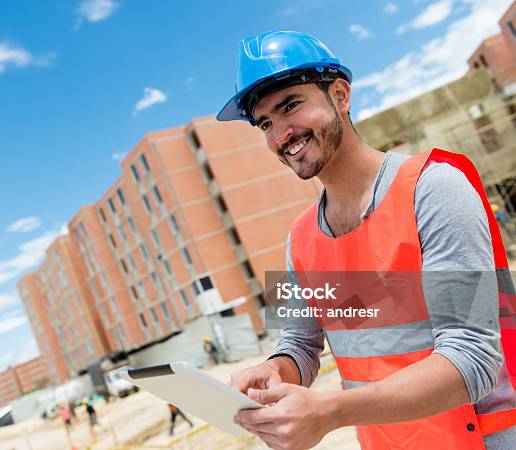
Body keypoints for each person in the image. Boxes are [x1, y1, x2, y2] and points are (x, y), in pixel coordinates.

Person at [217, 31, 516, 449]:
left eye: (291, 106)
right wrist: (275, 369)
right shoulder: (298, 239)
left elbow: (475, 358)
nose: (281, 133)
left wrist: (331, 411)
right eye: (266, 123)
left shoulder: (433, 189)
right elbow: (300, 343)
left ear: (340, 95)